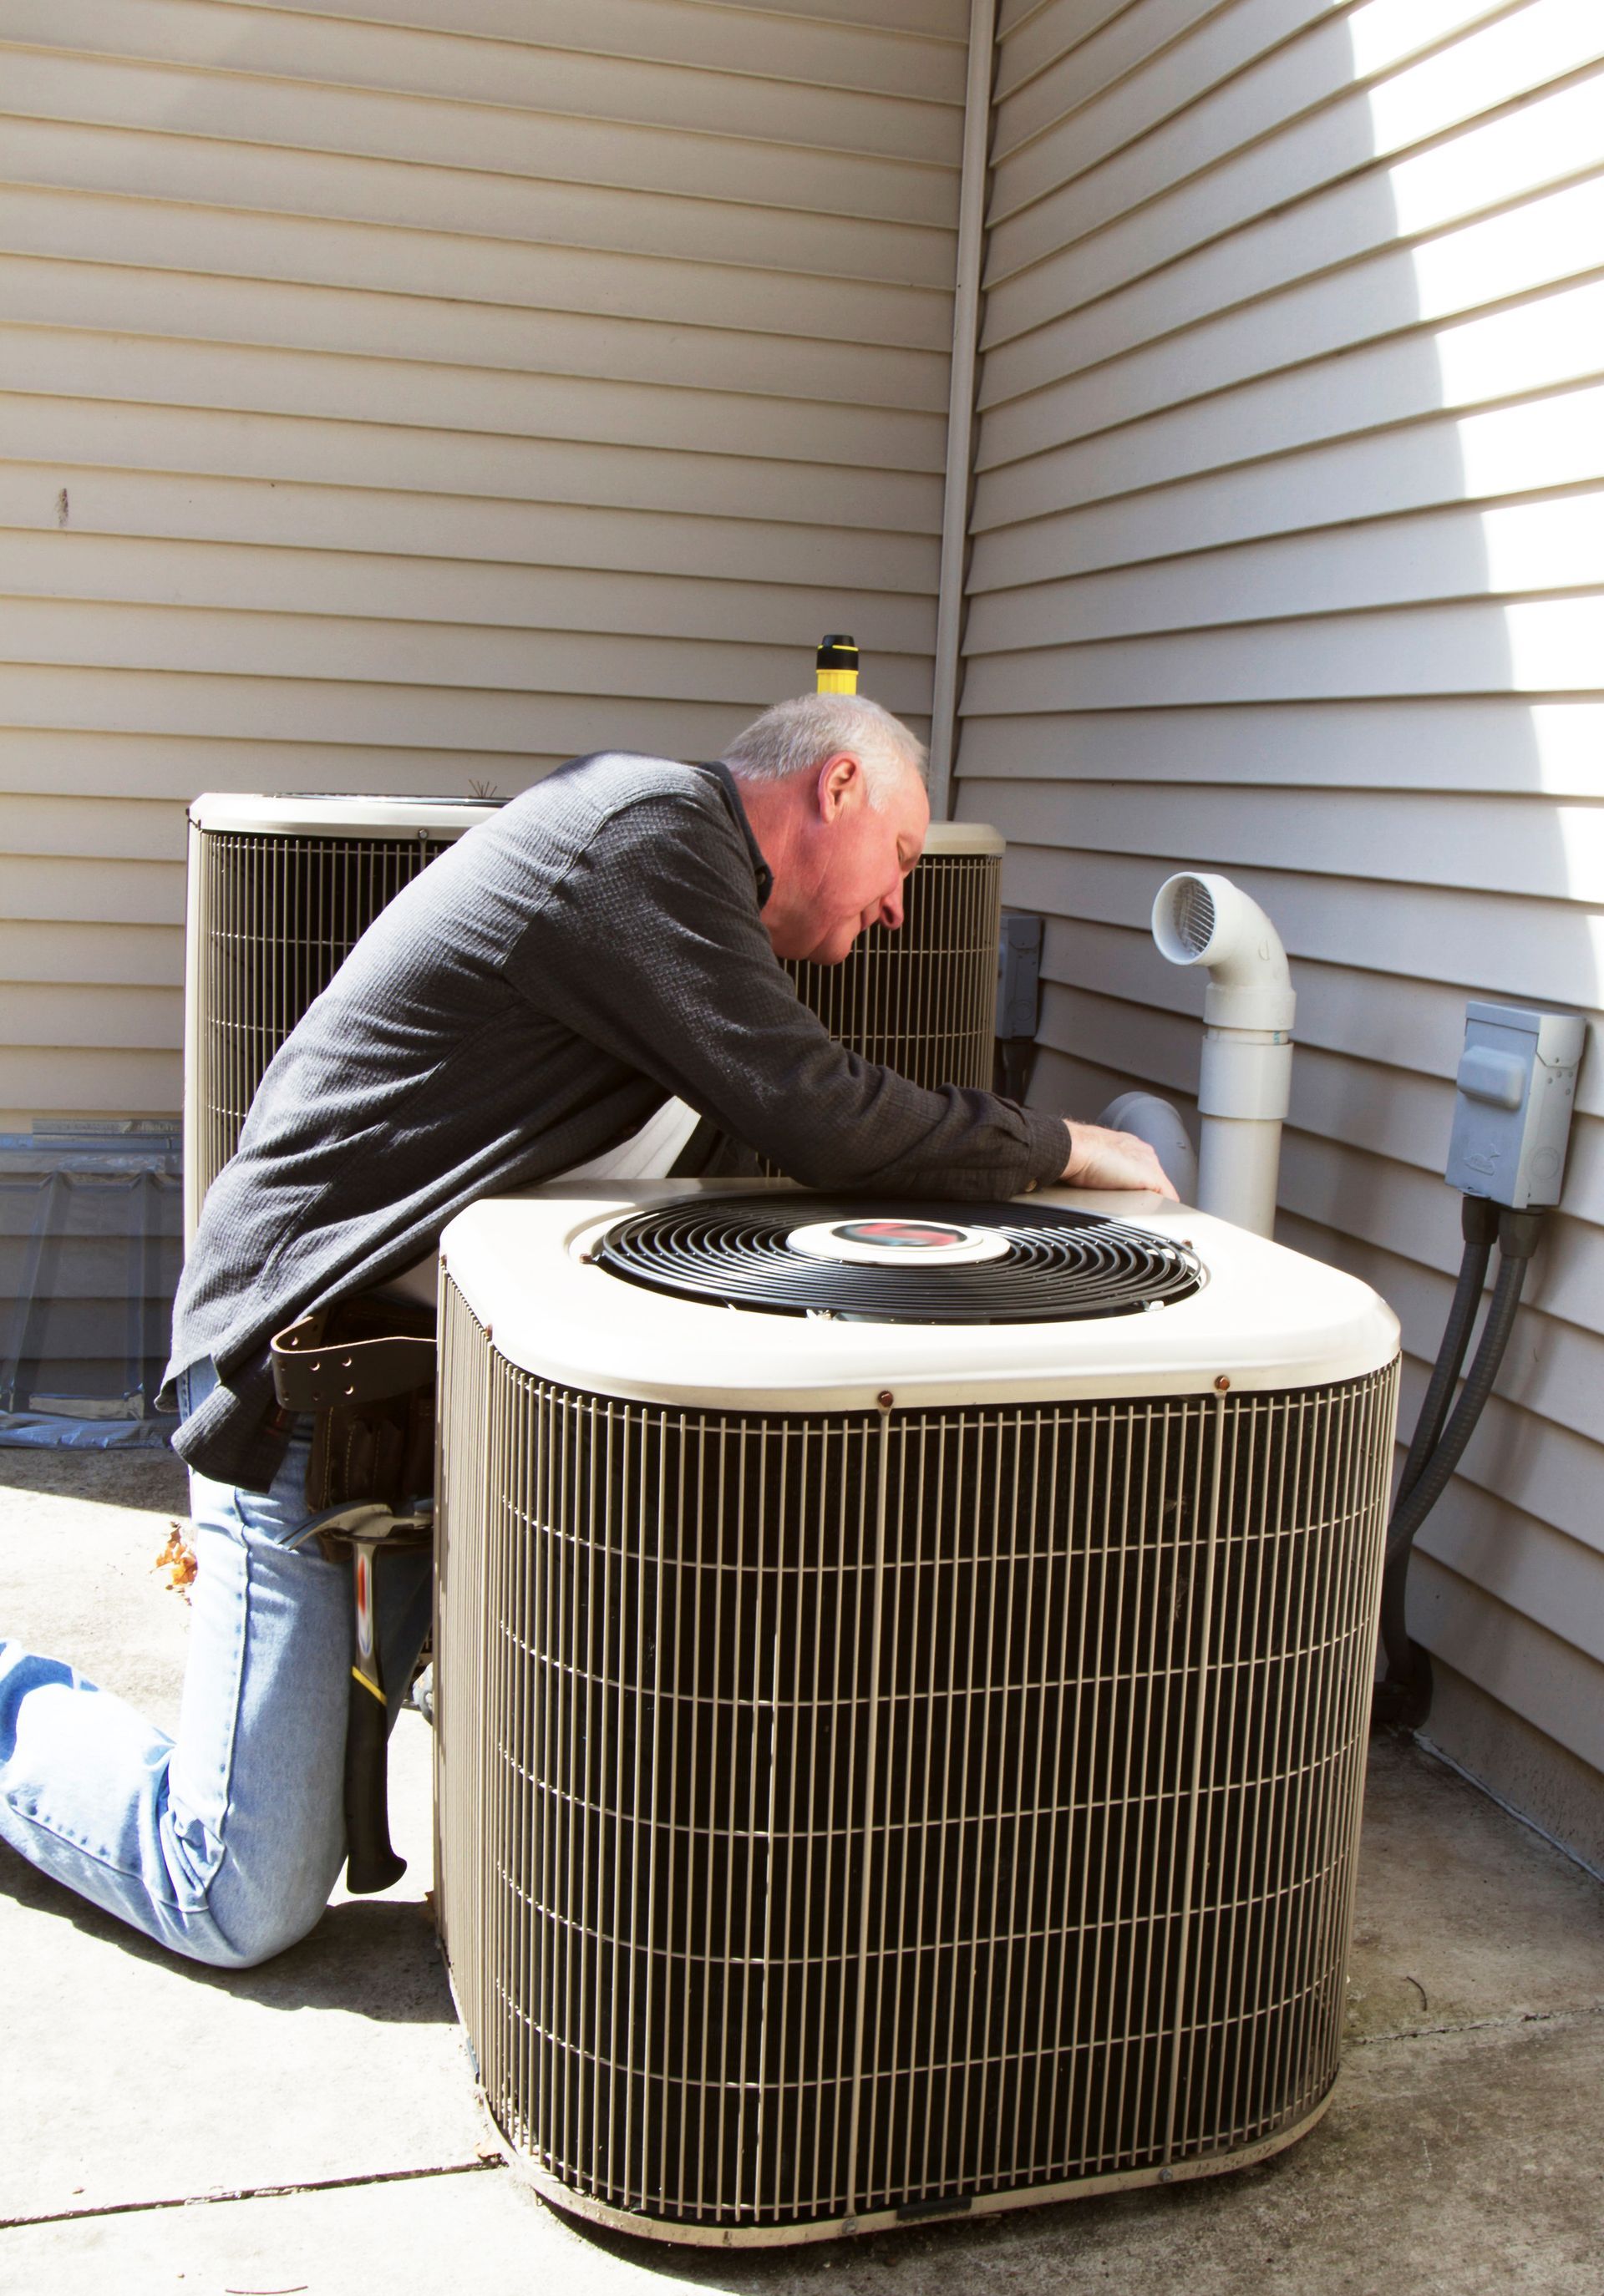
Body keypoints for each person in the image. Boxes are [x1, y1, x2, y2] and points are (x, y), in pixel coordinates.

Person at [0, 696, 1175, 1969]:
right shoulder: (646, 841)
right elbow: (823, 1115)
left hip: (414, 1406)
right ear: (837, 787)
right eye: (901, 858)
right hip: (301, 1373)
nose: (899, 907)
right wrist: (1070, 1144)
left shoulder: (690, 907)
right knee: (232, 1893)